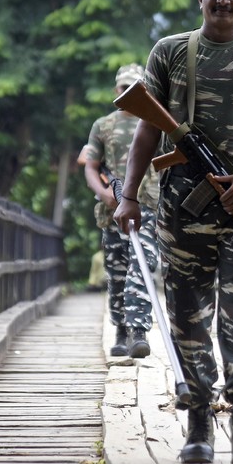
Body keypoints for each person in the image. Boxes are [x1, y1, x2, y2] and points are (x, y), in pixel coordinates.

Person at [114, 0, 233, 464]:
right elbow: (148, 129)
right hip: (182, 210)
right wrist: (129, 196)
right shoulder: (172, 51)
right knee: (188, 315)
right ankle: (197, 420)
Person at [83, 63, 160, 359]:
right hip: (113, 207)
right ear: (115, 91)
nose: (127, 92)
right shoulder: (103, 125)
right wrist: (103, 194)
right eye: (122, 87)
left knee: (142, 263)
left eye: (133, 87)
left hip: (148, 204)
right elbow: (90, 165)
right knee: (116, 271)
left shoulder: (155, 120)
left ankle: (138, 330)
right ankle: (120, 329)